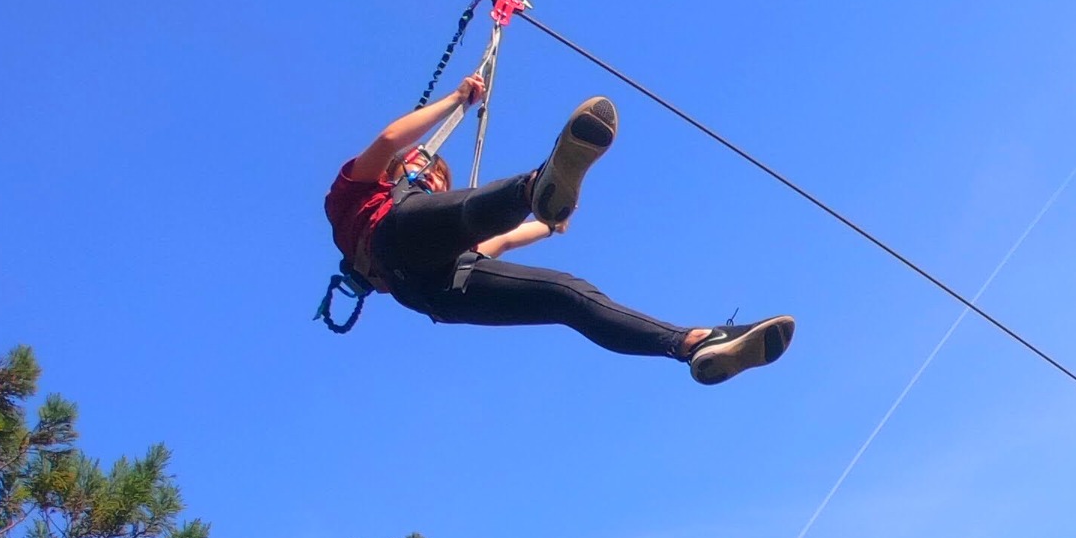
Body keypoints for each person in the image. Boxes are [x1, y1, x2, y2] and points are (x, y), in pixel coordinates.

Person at [325, 80, 793, 383]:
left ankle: (691, 344)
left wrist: (548, 226)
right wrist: (455, 100)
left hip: (438, 289)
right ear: (398, 170)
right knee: (453, 215)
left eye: (438, 178)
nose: (431, 177)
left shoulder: (427, 211)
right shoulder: (357, 195)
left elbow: (500, 242)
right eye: (425, 171)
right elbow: (390, 141)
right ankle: (534, 187)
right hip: (396, 242)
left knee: (566, 296)